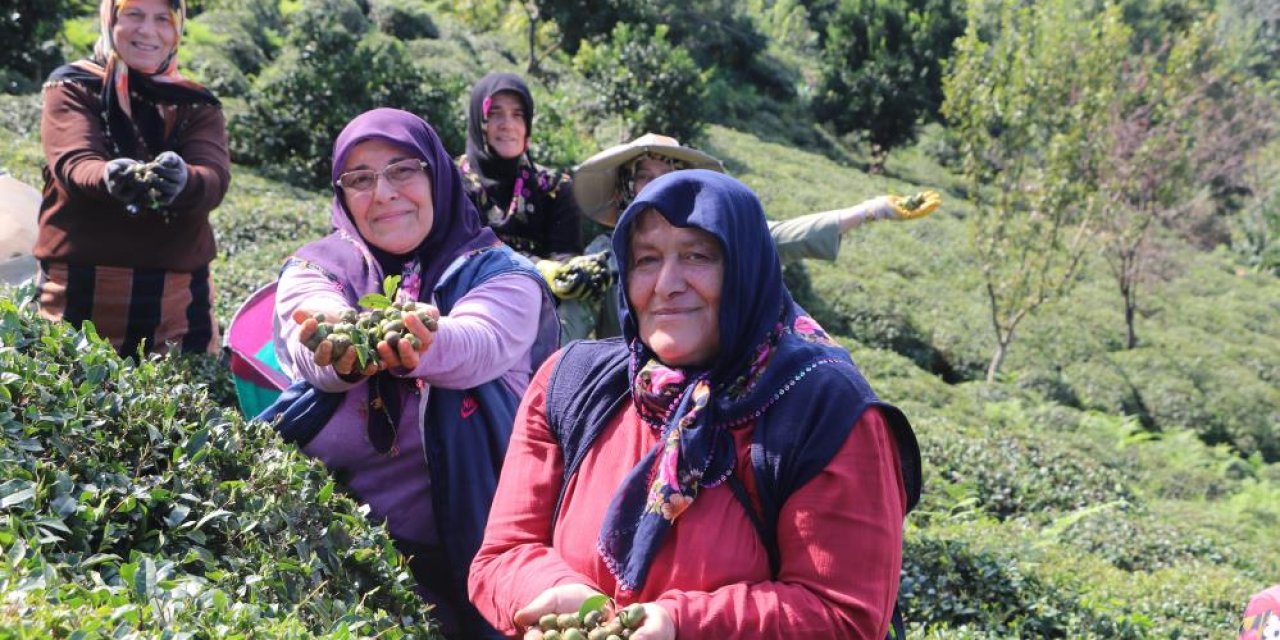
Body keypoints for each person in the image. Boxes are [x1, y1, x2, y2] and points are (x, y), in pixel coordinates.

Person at [469, 170, 921, 639]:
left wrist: (681, 625)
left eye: (697, 256)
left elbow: (842, 614)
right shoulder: (570, 382)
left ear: (745, 267)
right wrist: (558, 594)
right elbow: (504, 553)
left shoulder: (824, 409)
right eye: (646, 259)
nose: (666, 284)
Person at [268, 108, 559, 639]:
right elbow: (310, 331)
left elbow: (479, 343)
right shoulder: (316, 267)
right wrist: (339, 340)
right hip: (339, 549)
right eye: (360, 178)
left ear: (438, 176)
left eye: (403, 169)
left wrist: (421, 340)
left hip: (483, 546)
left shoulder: (501, 274)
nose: (382, 193)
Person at [570, 133, 941, 337]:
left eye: (668, 174)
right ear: (625, 188)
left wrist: (870, 210)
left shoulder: (715, 240)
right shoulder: (602, 257)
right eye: (644, 176)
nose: (657, 186)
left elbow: (782, 236)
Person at [35, 0, 229, 356]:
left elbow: (214, 175)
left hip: (176, 297)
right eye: (134, 15)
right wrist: (108, 177)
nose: (148, 30)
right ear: (110, 20)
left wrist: (184, 180)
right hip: (79, 286)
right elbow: (74, 160)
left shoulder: (196, 103)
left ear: (177, 30)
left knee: (179, 403)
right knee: (69, 390)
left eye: (162, 19)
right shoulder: (73, 86)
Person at [458, 72, 591, 342]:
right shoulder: (452, 182)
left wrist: (568, 272)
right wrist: (535, 265)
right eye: (495, 114)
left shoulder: (553, 187)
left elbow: (564, 252)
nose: (508, 125)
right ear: (478, 119)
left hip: (541, 308)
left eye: (518, 115)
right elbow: (462, 252)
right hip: (469, 308)